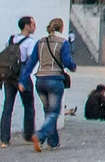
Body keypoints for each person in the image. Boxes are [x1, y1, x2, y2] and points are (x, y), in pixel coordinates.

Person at [21, 18, 77, 151]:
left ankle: (53, 142)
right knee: (54, 113)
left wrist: (23, 79)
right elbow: (67, 61)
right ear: (62, 28)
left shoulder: (40, 42)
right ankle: (39, 136)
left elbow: (30, 64)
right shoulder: (63, 42)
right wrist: (73, 67)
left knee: (48, 112)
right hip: (55, 80)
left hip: (40, 81)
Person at [0, 15, 39, 147]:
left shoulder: (11, 39)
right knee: (28, 106)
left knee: (8, 106)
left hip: (9, 76)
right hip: (22, 74)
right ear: (26, 26)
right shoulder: (29, 42)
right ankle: (28, 135)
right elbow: (30, 61)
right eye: (33, 24)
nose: (35, 27)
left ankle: (4, 139)